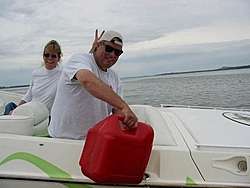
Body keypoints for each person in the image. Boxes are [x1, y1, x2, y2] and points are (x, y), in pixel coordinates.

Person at [48, 30, 138, 140]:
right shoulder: (80, 59)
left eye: (117, 52)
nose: (112, 55)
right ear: (98, 45)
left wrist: (126, 120)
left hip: (94, 140)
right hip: (63, 139)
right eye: (109, 49)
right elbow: (87, 81)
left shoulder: (115, 78)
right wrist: (124, 106)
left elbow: (117, 111)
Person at [4, 40, 63, 117]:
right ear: (43, 56)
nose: (49, 58)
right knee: (10, 106)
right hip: (29, 110)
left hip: (44, 116)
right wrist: (16, 110)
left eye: (53, 56)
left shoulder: (62, 76)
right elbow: (28, 95)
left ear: (58, 58)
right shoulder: (36, 74)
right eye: (46, 55)